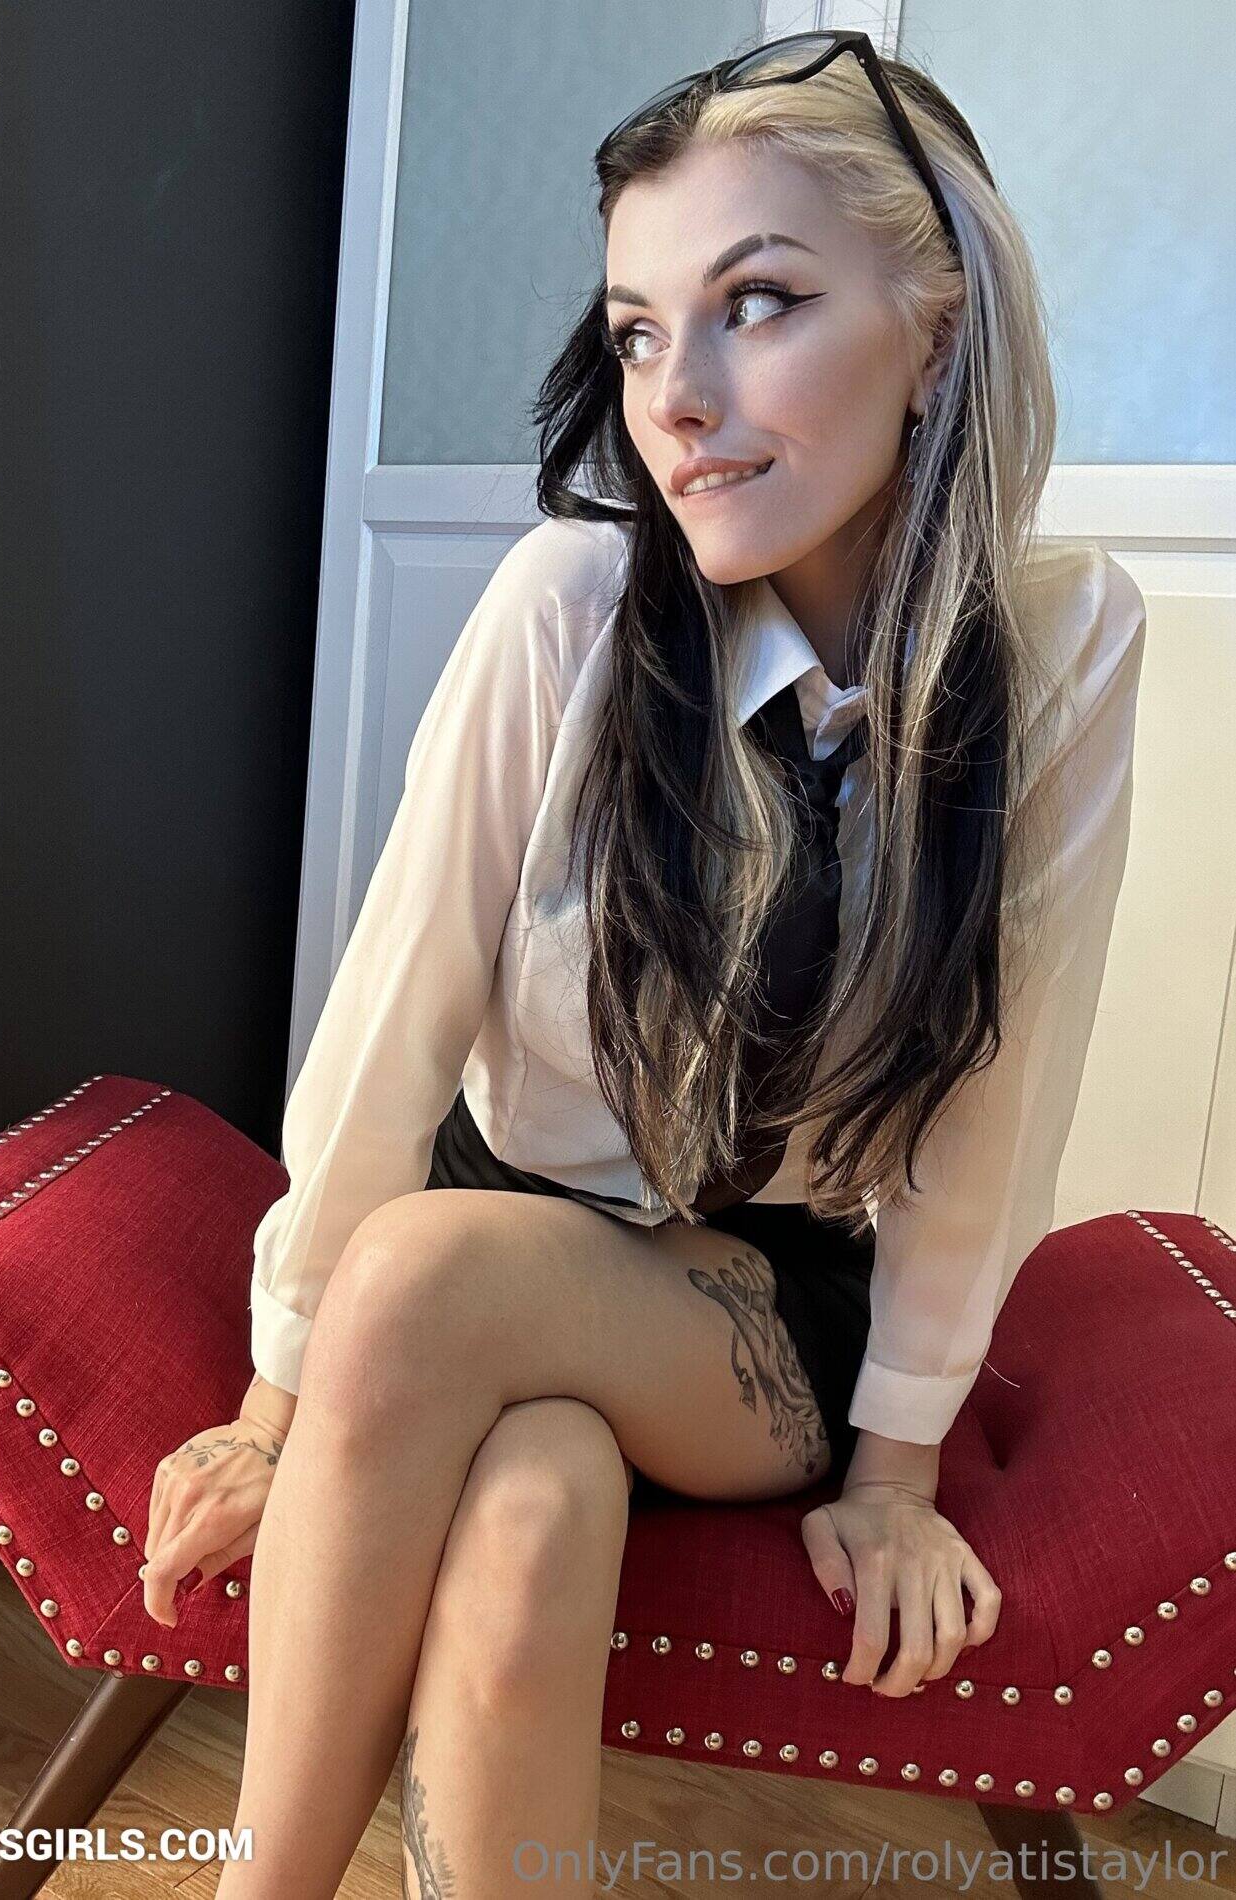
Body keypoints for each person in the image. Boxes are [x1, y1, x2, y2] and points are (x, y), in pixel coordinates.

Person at [144, 34, 1147, 1897]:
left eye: (756, 305)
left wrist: (895, 1472)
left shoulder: (1059, 638)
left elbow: (1000, 1092)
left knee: (427, 1276)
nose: (673, 398)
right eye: (631, 332)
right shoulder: (575, 603)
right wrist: (280, 1409)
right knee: (528, 1510)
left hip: (755, 1298)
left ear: (935, 331)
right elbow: (394, 1015)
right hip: (497, 1223)